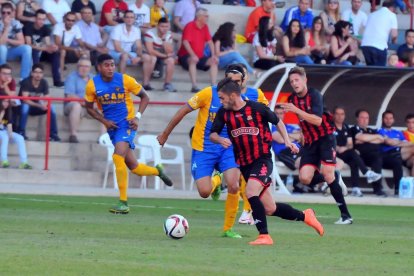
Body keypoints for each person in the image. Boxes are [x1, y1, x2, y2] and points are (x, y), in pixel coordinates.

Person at [210, 78, 324, 245]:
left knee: (250, 193)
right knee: (270, 209)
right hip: (245, 165)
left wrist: (287, 141)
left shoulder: (256, 108)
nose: (220, 101)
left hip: (262, 160)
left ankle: (264, 236)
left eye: (221, 97)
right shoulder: (224, 113)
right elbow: (213, 134)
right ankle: (306, 216)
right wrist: (220, 139)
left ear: (233, 95)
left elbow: (278, 122)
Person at [157, 66, 249, 239]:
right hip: (203, 149)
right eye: (231, 80)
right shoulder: (208, 94)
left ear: (242, 82)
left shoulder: (240, 100)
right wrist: (165, 134)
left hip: (227, 148)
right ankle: (216, 180)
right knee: (204, 192)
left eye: (237, 81)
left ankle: (228, 229)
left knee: (234, 184)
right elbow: (183, 111)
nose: (234, 84)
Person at [84, 53, 173, 214]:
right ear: (99, 67)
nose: (110, 68)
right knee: (134, 167)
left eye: (112, 64)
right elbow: (88, 107)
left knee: (117, 157)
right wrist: (104, 121)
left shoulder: (125, 79)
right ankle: (157, 171)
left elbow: (145, 97)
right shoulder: (92, 85)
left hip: (127, 124)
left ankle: (123, 202)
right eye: (107, 65)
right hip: (112, 128)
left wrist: (137, 117)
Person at [281, 66, 353, 224]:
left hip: (325, 138)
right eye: (291, 81)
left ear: (305, 80)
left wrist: (297, 111)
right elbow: (302, 121)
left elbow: (317, 120)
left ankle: (346, 215)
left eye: (297, 80)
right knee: (305, 178)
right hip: (310, 141)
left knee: (328, 174)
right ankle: (336, 177)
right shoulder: (292, 99)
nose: (294, 83)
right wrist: (301, 133)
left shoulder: (315, 95)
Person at [333, 106, 382, 197]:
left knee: (353, 161)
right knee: (353, 153)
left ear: (344, 116)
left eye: (342, 114)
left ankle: (356, 189)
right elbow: (327, 141)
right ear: (334, 115)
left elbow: (350, 144)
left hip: (344, 152)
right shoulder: (330, 126)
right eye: (338, 114)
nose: (340, 116)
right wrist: (337, 147)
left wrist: (344, 148)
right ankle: (367, 173)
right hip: (333, 153)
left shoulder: (346, 127)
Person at [177, 8, 218, 93]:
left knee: (214, 61)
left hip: (200, 56)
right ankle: (194, 86)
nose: (208, 17)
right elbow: (185, 42)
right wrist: (192, 54)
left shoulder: (205, 27)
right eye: (206, 16)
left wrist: (213, 55)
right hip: (185, 56)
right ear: (199, 17)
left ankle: (213, 85)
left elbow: (210, 42)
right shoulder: (189, 25)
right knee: (193, 60)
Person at [19, 63, 61, 142]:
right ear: (32, 73)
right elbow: (25, 100)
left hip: (36, 106)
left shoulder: (44, 82)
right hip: (23, 106)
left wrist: (45, 104)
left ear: (43, 74)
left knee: (51, 107)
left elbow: (47, 98)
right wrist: (39, 105)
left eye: (40, 72)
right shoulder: (26, 82)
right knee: (25, 107)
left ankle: (53, 134)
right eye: (36, 72)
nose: (38, 74)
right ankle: (21, 132)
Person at [349, 109, 387, 197]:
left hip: (370, 156)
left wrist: (367, 138)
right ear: (357, 119)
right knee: (354, 159)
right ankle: (356, 189)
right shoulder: (353, 129)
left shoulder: (371, 130)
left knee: (377, 158)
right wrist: (374, 138)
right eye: (362, 117)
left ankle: (377, 190)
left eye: (367, 118)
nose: (365, 120)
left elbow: (381, 140)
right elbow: (359, 137)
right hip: (359, 156)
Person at [378, 110, 414, 195]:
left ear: (393, 120)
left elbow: (406, 143)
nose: (388, 120)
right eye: (386, 118)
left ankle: (411, 189)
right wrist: (400, 143)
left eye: (390, 118)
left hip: (402, 154)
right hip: (389, 154)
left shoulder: (397, 132)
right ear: (383, 119)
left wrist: (397, 142)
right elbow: (389, 142)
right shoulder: (380, 131)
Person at [0, 2, 33, 81]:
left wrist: (7, 39)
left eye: (8, 13)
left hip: (11, 50)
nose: (6, 15)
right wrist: (7, 27)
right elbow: (1, 43)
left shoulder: (15, 23)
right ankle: (2, 77)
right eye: (3, 12)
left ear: (12, 13)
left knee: (27, 48)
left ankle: (24, 79)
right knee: (2, 48)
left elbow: (21, 41)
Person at [142, 17, 176, 92]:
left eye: (166, 26)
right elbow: (150, 51)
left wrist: (164, 40)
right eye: (162, 26)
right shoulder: (150, 33)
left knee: (171, 61)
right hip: (149, 54)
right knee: (152, 59)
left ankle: (167, 84)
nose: (164, 29)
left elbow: (170, 51)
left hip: (162, 54)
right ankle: (146, 84)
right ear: (157, 26)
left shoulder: (168, 35)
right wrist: (165, 56)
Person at [64, 58, 93, 143]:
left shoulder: (94, 78)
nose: (84, 69)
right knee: (76, 106)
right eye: (81, 66)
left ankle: (103, 137)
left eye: (86, 66)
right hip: (72, 106)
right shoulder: (71, 77)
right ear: (77, 67)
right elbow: (70, 96)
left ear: (90, 68)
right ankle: (73, 135)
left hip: (89, 106)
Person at [361, 0, 397, 66]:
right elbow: (394, 35)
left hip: (365, 45)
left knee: (370, 69)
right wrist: (393, 42)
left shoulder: (371, 14)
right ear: (392, 8)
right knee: (380, 71)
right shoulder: (392, 15)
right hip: (379, 46)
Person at [53, 12, 88, 79]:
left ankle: (84, 76)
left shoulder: (76, 28)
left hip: (67, 50)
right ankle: (60, 76)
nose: (70, 22)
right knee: (63, 51)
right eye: (68, 20)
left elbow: (81, 42)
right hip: (53, 51)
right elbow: (58, 45)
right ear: (64, 20)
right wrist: (74, 49)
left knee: (85, 53)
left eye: (73, 21)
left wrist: (82, 50)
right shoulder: (58, 26)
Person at [107, 10, 143, 74]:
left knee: (147, 58)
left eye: (132, 17)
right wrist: (131, 57)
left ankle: (146, 83)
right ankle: (122, 79)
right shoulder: (117, 28)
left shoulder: (136, 30)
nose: (129, 19)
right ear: (123, 19)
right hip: (113, 53)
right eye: (127, 17)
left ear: (134, 19)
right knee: (125, 56)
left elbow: (139, 46)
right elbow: (117, 48)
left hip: (127, 53)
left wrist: (139, 57)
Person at [0, 99, 32, 169]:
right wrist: (1, 114)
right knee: (5, 137)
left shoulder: (8, 111)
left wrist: (10, 135)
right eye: (4, 101)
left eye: (7, 102)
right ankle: (4, 161)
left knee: (20, 138)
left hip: (4, 131)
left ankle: (24, 162)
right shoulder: (2, 111)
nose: (6, 103)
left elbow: (9, 125)